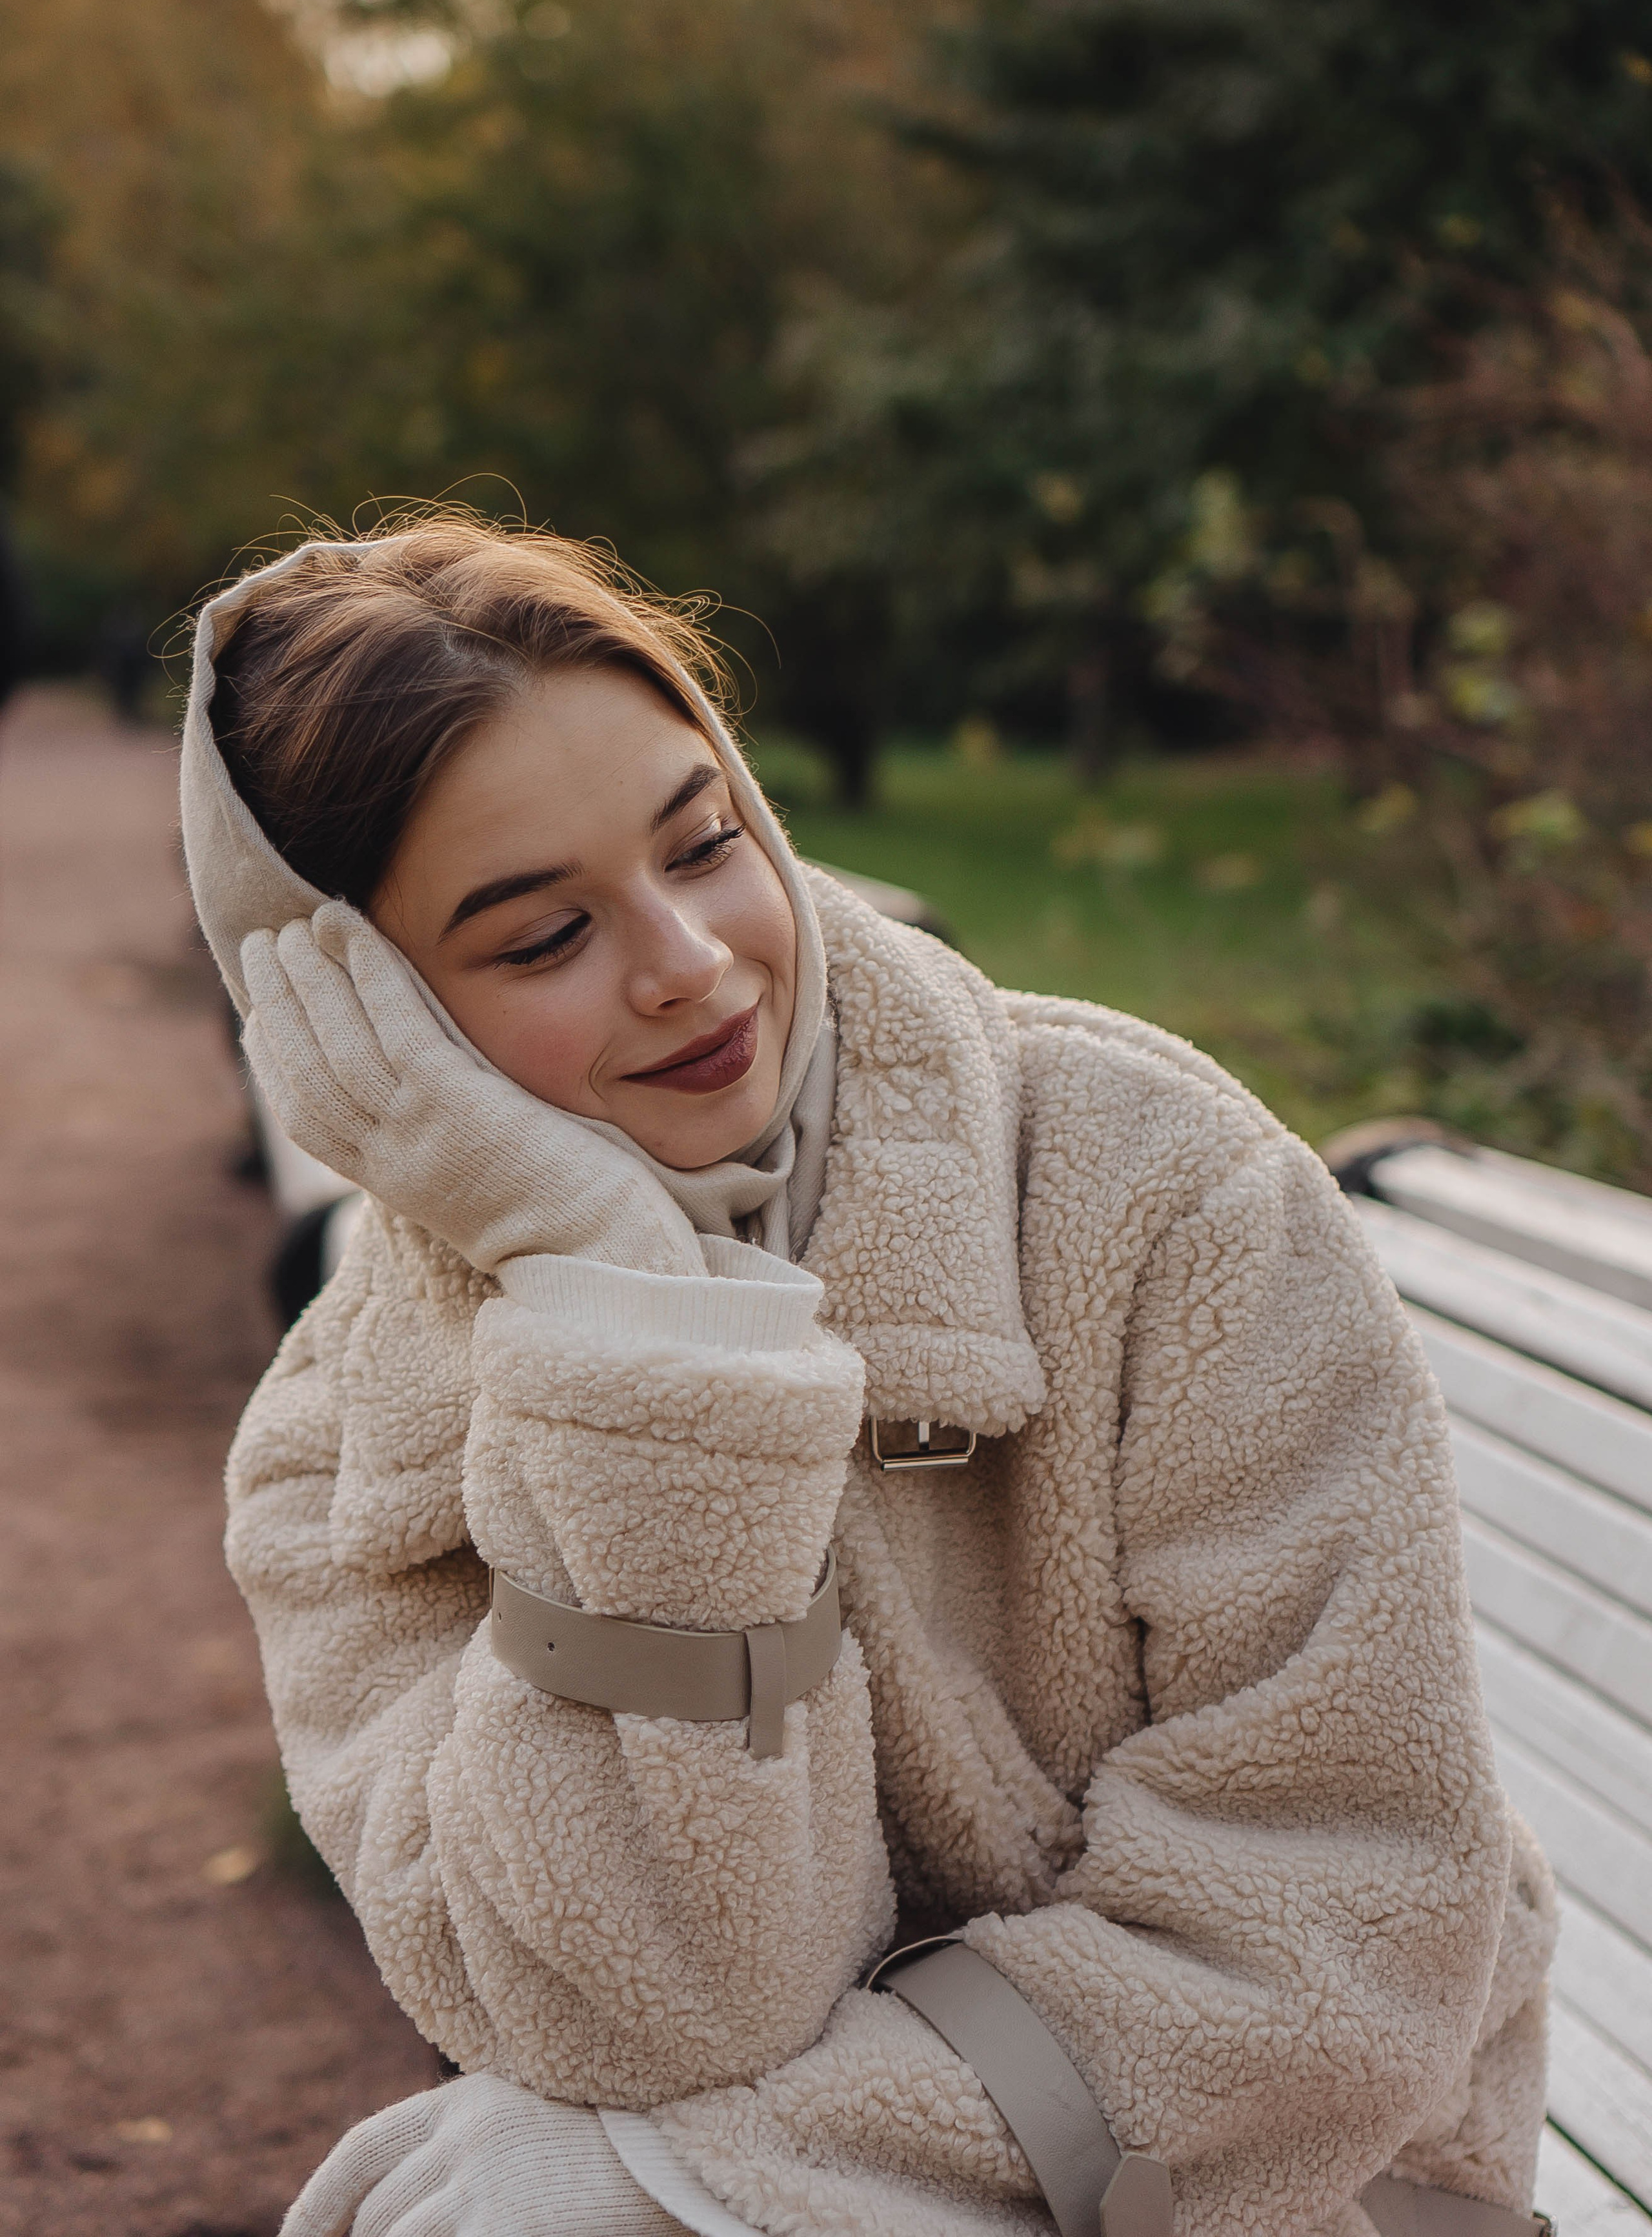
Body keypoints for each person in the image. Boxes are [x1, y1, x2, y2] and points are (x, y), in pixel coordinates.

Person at [179, 518, 1555, 2237]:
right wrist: (635, 1331)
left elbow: (1336, 1931)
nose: (688, 959)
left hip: (1293, 2185)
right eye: (542, 940)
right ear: (363, 1021)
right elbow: (644, 2007)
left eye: (706, 842)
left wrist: (685, 2184)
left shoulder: (1158, 1190)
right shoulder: (349, 1446)